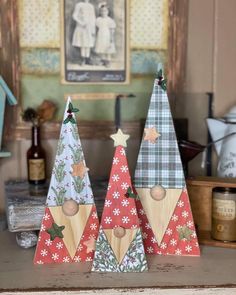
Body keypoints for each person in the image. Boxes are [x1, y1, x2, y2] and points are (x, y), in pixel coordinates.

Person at [72, 0, 96, 65]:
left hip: (89, 27)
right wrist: (81, 23)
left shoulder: (91, 6)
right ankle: (83, 59)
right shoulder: (79, 4)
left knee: (88, 43)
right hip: (81, 27)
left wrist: (93, 29)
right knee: (83, 42)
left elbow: (93, 18)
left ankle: (87, 58)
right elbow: (74, 16)